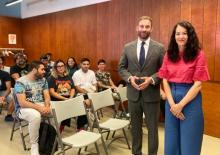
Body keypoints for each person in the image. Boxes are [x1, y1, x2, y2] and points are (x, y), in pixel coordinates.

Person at [158, 21, 210, 155]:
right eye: (178, 33)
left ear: (190, 35)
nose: (181, 36)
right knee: (171, 142)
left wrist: (180, 105)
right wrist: (172, 104)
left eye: (184, 33)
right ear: (174, 36)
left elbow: (198, 84)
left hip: (190, 100)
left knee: (189, 142)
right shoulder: (169, 54)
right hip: (171, 101)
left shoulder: (199, 54)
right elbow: (164, 79)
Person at [118, 16, 165, 155]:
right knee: (135, 129)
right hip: (133, 95)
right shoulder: (127, 47)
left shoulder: (159, 48)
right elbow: (121, 68)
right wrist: (129, 78)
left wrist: (151, 79)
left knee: (152, 129)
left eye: (147, 26)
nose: (144, 29)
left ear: (151, 28)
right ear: (137, 28)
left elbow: (164, 70)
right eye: (142, 26)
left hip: (151, 95)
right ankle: (136, 152)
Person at [14, 61, 51, 155]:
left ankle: (51, 139)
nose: (44, 72)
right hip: (24, 108)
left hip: (41, 104)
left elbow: (47, 96)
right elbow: (22, 103)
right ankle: (34, 145)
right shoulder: (20, 82)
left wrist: (46, 106)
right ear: (34, 70)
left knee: (57, 109)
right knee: (35, 116)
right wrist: (40, 108)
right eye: (42, 69)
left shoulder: (43, 80)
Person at [47, 59, 75, 132]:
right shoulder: (52, 78)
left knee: (82, 104)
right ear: (55, 68)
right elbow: (52, 92)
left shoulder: (68, 76)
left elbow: (73, 89)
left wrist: (71, 98)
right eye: (58, 66)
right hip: (57, 100)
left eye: (62, 66)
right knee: (66, 107)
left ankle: (79, 127)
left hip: (68, 99)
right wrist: (64, 99)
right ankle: (59, 127)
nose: (60, 68)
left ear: (65, 67)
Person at [72, 58, 97, 130]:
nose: (86, 66)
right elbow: (77, 87)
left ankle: (91, 121)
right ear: (80, 65)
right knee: (86, 102)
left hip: (91, 92)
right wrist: (87, 93)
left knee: (97, 100)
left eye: (87, 64)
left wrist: (94, 91)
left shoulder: (91, 72)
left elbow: (95, 84)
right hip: (80, 93)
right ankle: (81, 126)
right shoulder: (76, 73)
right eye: (84, 64)